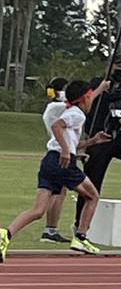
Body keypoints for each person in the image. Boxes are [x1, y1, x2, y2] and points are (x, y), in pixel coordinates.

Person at [1, 80, 111, 262]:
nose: (91, 101)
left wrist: (92, 141)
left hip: (49, 161)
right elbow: (56, 127)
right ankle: (81, 237)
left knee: (38, 210)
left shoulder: (71, 111)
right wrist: (67, 151)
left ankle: (5, 234)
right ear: (84, 99)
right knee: (92, 196)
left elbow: (71, 141)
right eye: (90, 98)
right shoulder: (77, 114)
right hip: (62, 162)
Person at [76, 56, 121, 232]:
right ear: (110, 67)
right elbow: (96, 100)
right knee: (92, 183)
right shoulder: (98, 84)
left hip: (115, 136)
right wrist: (112, 93)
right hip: (97, 139)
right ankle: (79, 224)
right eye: (119, 66)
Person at [39, 77, 72, 244]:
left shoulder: (53, 107)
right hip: (59, 151)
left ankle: (50, 229)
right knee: (59, 192)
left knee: (55, 191)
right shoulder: (57, 107)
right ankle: (51, 229)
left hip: (56, 150)